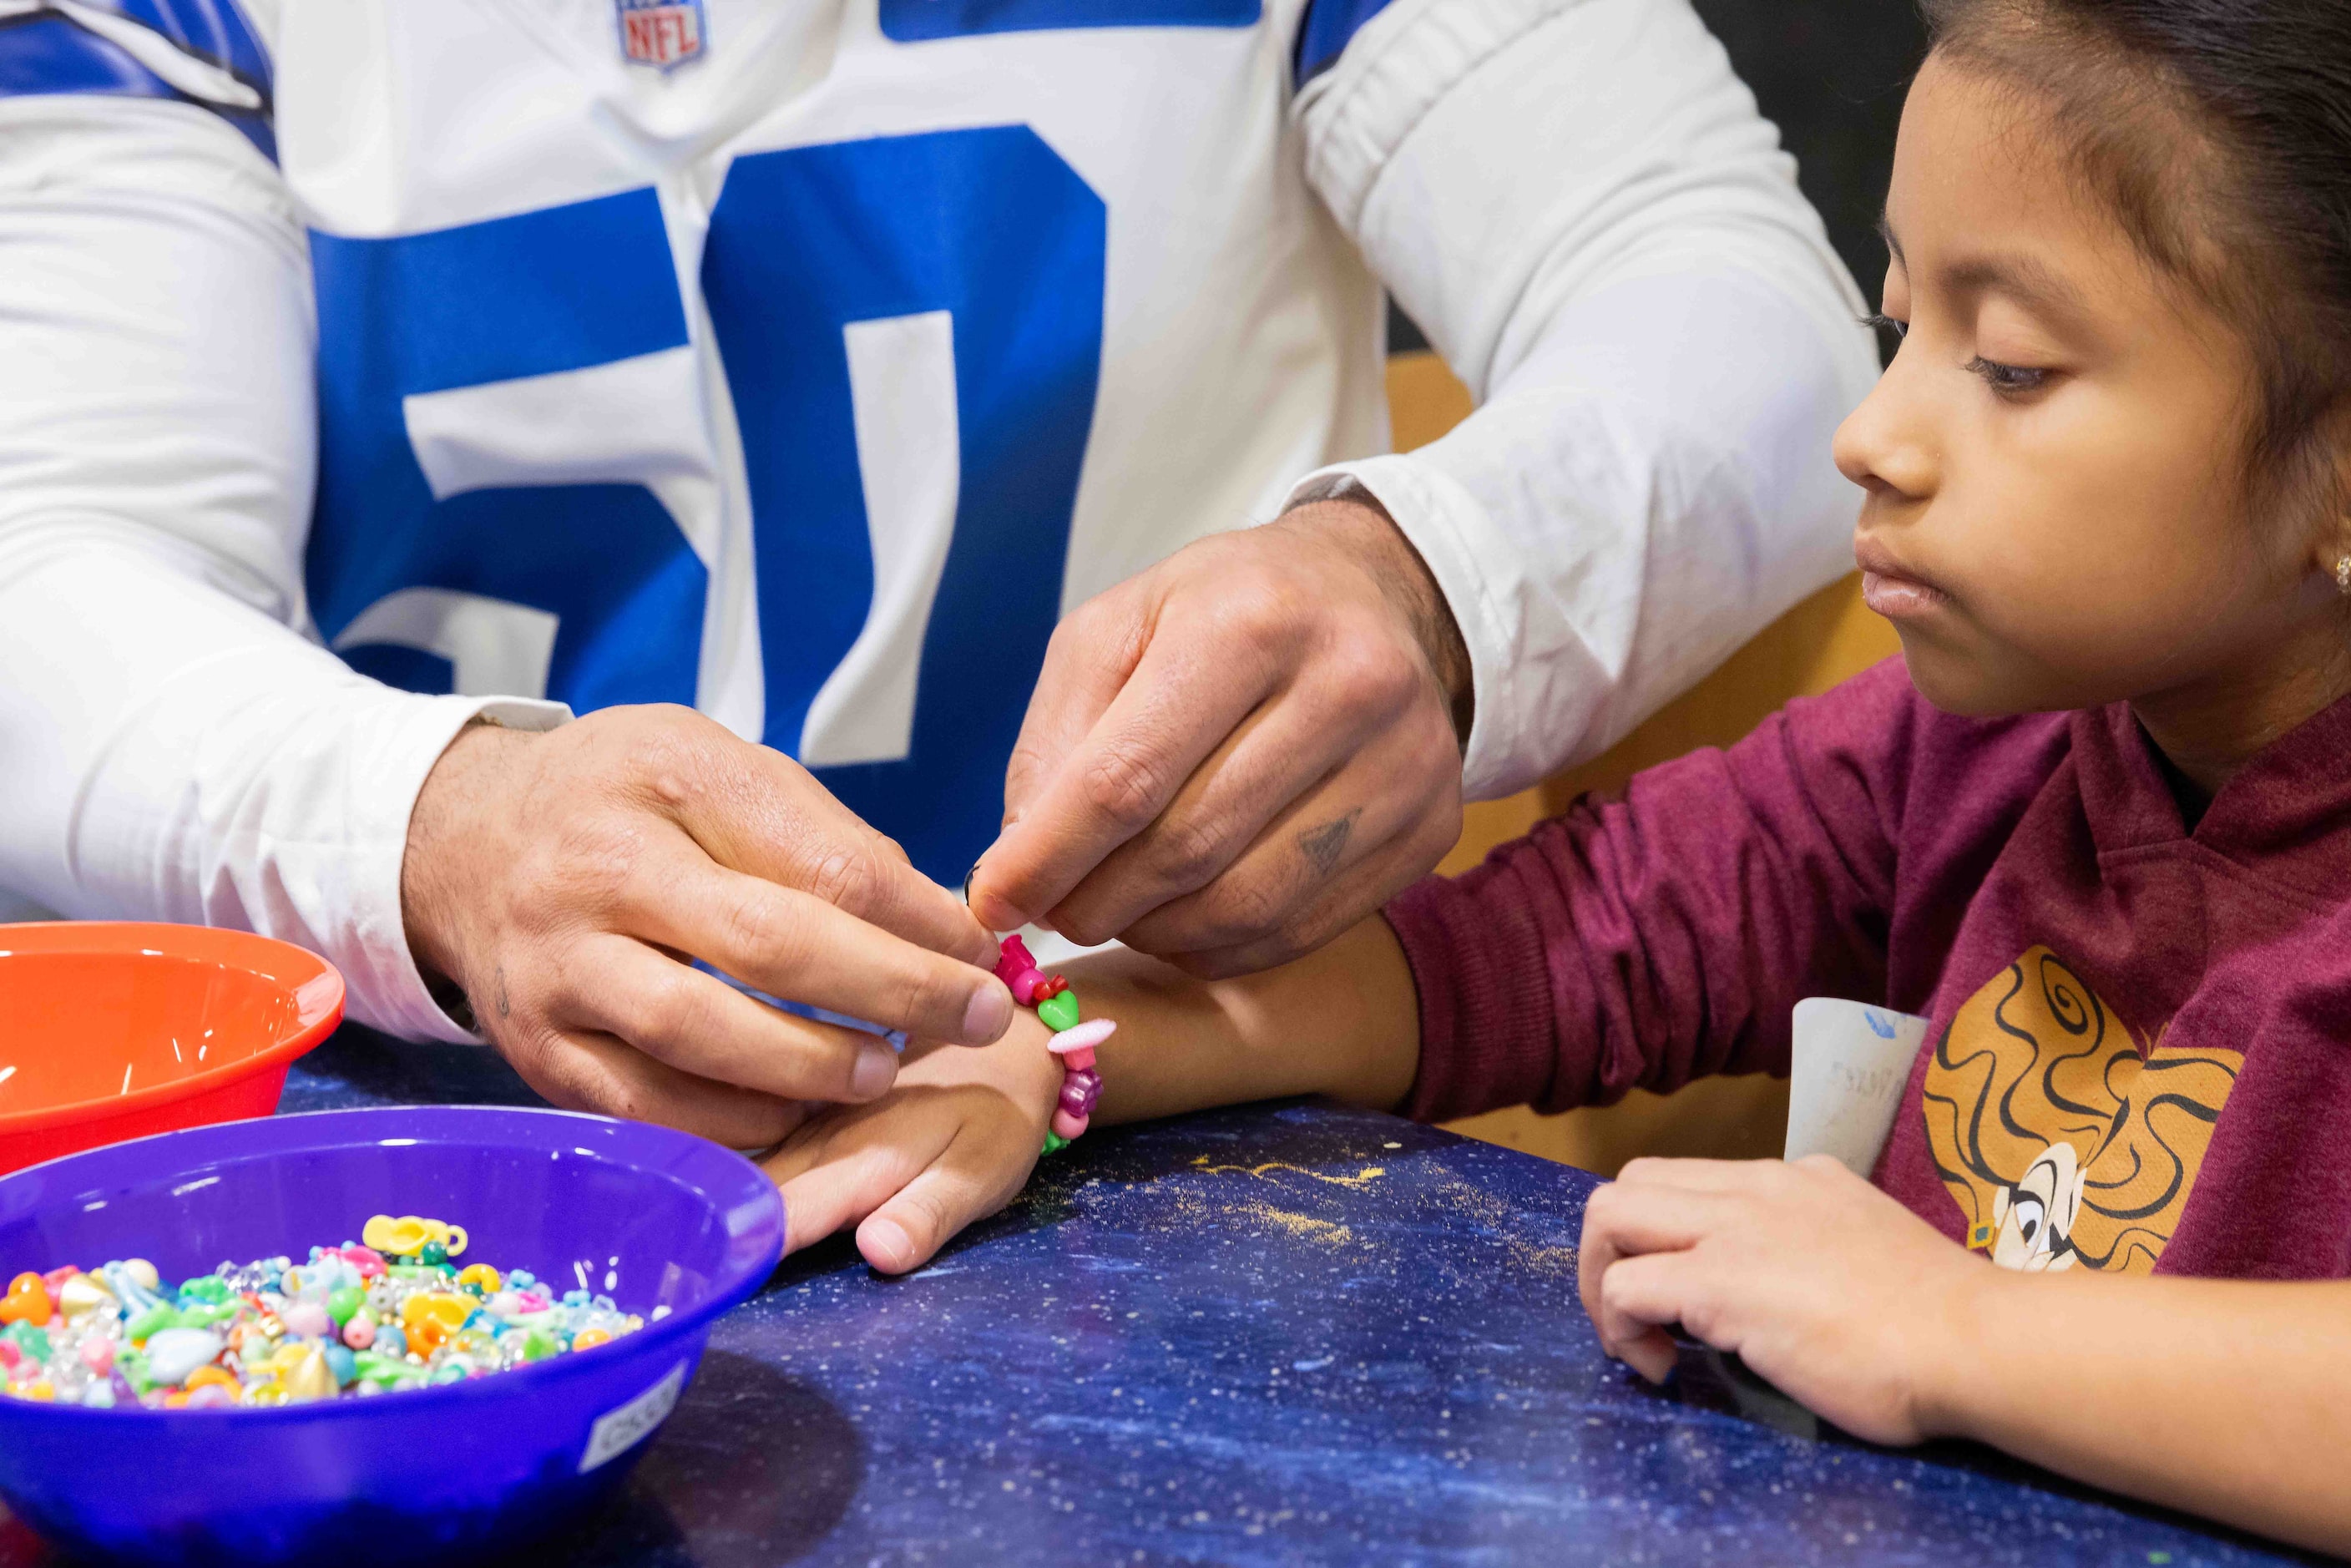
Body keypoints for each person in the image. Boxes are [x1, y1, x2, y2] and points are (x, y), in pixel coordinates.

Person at [766, 0, 2351, 1550]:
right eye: (1897, 322)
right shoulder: (1981, 747)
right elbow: (1539, 949)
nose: (1873, 430)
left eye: (2007, 367)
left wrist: (1953, 1329)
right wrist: (1050, 1047)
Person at [0, 0, 1874, 1139]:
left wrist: (1430, 581)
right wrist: (441, 830)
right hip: (456, 1117)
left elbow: (1757, 335)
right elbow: (50, 571)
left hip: (1132, 1084)